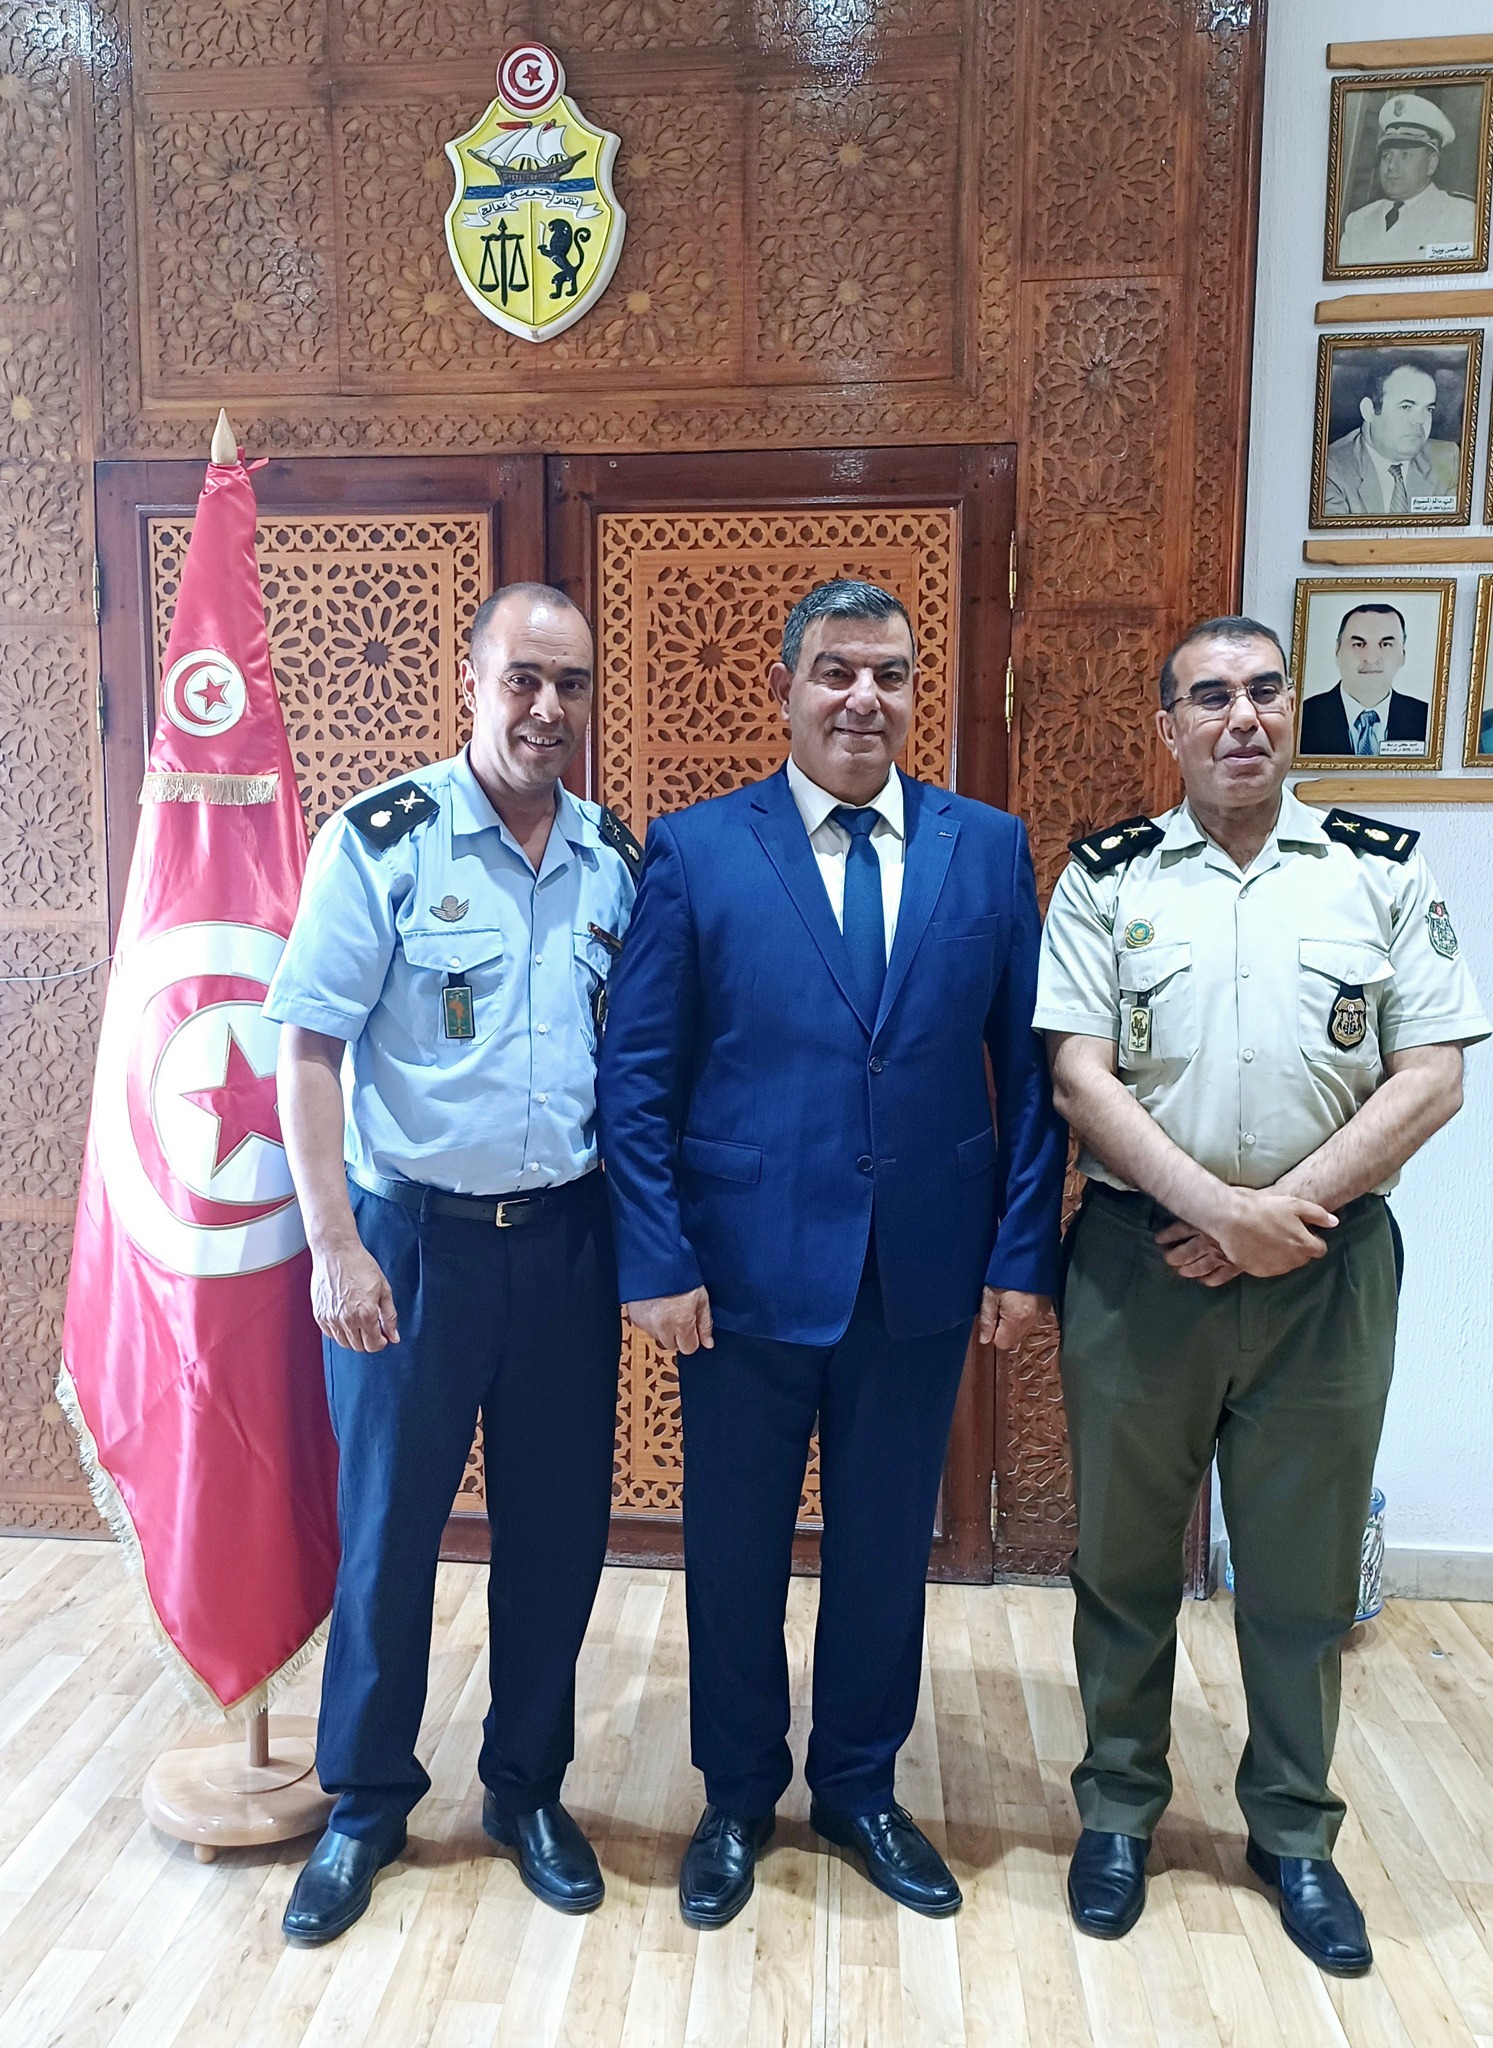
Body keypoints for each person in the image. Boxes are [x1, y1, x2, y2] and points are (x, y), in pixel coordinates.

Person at [598, 578, 1067, 1929]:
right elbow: (637, 1072)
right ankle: (737, 1793)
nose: (864, 698)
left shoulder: (986, 848)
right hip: (738, 1279)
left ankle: (859, 1785)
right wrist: (655, 1257)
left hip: (920, 1274)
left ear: (916, 691)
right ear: (785, 689)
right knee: (732, 1551)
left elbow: (1031, 1074)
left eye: (890, 674)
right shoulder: (698, 849)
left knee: (882, 1550)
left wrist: (1018, 1255)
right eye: (835, 671)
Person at [1034, 615, 1487, 1977]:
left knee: (1300, 1572)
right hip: (1140, 1272)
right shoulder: (1107, 879)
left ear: (1292, 711)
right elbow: (1077, 1076)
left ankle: (1292, 1831)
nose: (1241, 716)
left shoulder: (1377, 872)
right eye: (1209, 696)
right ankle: (1119, 1809)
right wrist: (1220, 1214)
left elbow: (1432, 1073)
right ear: (1166, 728)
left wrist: (1273, 1219)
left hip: (1325, 1273)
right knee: (1122, 1562)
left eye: (1263, 691)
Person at [263, 583, 639, 1944]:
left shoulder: (613, 858)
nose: (547, 708)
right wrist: (334, 1243)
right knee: (387, 1535)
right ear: (472, 684)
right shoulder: (382, 841)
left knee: (556, 1533)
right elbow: (307, 1048)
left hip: (566, 1243)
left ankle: (525, 1789)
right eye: (522, 679)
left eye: (570, 684)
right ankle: (365, 1799)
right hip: (410, 1247)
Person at [1337, 92, 1478, 267]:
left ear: (1431, 163)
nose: (1391, 166)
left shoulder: (1464, 218)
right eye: (1386, 156)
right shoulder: (1358, 221)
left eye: (1405, 155)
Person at [1322, 360, 1460, 519]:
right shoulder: (1331, 469)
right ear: (1369, 410)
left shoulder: (1448, 460)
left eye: (1429, 409)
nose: (1420, 420)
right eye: (1406, 407)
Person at [1298, 603, 1428, 758]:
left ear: (1403, 654)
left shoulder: (1426, 719)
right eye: (1358, 644)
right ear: (1337, 650)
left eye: (1386, 644)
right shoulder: (1303, 717)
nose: (1371, 658)